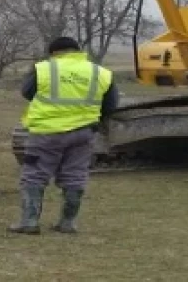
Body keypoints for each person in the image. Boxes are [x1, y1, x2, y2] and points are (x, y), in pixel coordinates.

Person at [8, 36, 118, 235]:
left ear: (54, 52)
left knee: (34, 175)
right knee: (75, 175)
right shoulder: (100, 72)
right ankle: (67, 223)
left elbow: (28, 92)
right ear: (77, 51)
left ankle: (29, 222)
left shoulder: (44, 68)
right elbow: (110, 105)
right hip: (83, 133)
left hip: (46, 132)